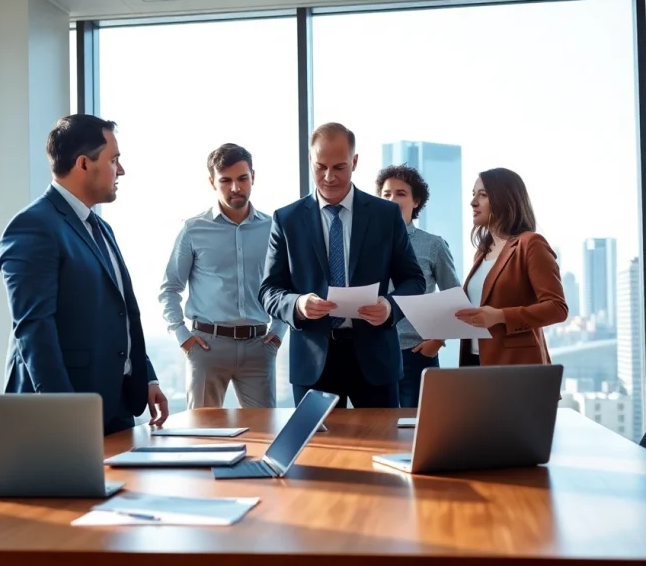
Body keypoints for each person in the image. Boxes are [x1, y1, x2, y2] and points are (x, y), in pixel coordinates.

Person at [0, 114, 169, 435]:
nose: (121, 170)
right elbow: (34, 330)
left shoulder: (101, 228)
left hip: (113, 404)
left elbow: (121, 316)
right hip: (64, 415)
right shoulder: (33, 227)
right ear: (83, 164)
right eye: (114, 160)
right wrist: (66, 414)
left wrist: (146, 376)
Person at [259, 122, 426, 408]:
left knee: (381, 448)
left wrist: (389, 307)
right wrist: (297, 304)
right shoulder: (287, 219)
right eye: (320, 166)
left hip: (375, 358)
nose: (328, 177)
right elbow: (268, 291)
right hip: (313, 362)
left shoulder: (385, 216)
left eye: (339, 167)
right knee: (317, 452)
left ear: (355, 162)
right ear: (310, 162)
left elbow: (414, 280)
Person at [159, 143, 287, 409]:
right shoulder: (193, 230)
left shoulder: (273, 228)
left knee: (265, 432)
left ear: (254, 176)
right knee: (203, 435)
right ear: (212, 182)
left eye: (242, 178)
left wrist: (278, 332)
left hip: (259, 346)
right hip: (207, 347)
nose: (235, 188)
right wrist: (183, 337)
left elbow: (285, 285)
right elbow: (169, 289)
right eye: (225, 181)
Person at [454, 167, 567, 366]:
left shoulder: (531, 244)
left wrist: (499, 316)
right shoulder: (482, 251)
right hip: (475, 360)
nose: (473, 202)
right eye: (473, 195)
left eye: (483, 195)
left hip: (516, 365)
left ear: (504, 199)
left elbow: (557, 308)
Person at [376, 164, 461, 408]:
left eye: (401, 193)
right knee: (377, 430)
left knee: (418, 430)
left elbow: (454, 298)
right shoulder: (367, 244)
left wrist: (437, 340)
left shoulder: (433, 245)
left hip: (416, 353)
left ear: (416, 201)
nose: (392, 199)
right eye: (386, 194)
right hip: (376, 352)